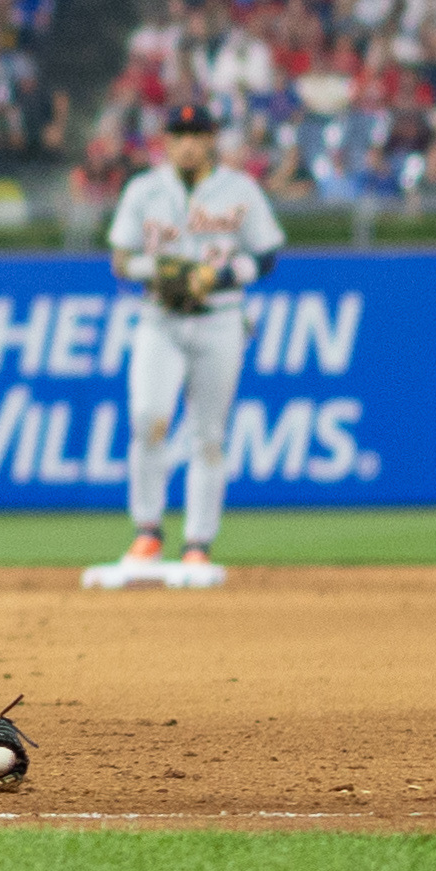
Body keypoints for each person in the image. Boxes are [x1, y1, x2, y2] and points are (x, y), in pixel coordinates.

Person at [97, 101, 285, 587]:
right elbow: (122, 259)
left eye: (196, 133)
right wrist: (167, 271)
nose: (187, 142)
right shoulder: (145, 189)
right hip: (160, 316)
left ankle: (198, 544)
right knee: (147, 420)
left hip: (220, 320)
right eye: (178, 133)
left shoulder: (239, 189)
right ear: (167, 140)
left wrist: (220, 276)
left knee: (208, 435)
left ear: (211, 139)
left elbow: (265, 255)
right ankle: (148, 532)